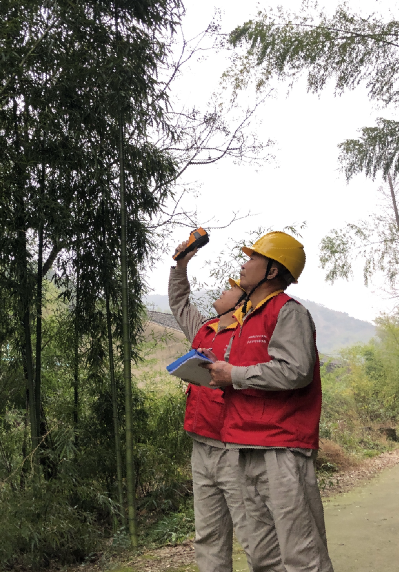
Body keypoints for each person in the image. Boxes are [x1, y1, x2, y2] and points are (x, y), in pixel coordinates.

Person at [201, 231, 333, 572]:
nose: (243, 265)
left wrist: (235, 375)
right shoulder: (247, 318)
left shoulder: (287, 313)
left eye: (252, 258)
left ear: (272, 271)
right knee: (263, 557)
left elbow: (296, 371)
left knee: (302, 554)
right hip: (243, 445)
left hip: (281, 447)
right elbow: (240, 367)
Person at [169, 244, 258, 572]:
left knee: (253, 535)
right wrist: (180, 265)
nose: (222, 290)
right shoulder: (203, 329)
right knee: (208, 536)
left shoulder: (251, 333)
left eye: (229, 288)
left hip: (235, 450)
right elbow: (179, 302)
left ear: (243, 301)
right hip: (201, 443)